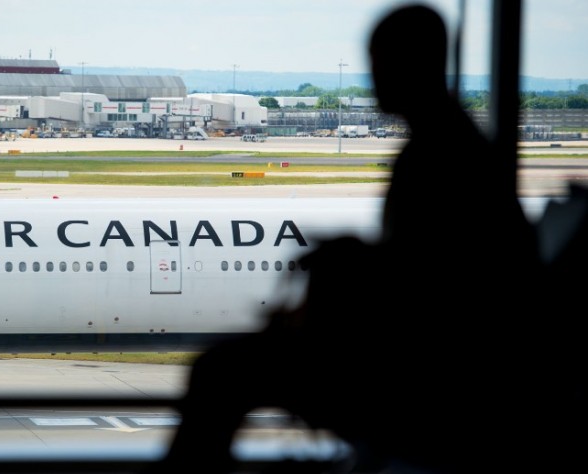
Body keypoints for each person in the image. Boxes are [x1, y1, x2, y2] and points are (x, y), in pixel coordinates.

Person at [148, 4, 575, 473]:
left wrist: (342, 272)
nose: (375, 78)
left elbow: (431, 286)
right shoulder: (450, 144)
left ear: (416, 64)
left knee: (221, 373)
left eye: (381, 62)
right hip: (438, 360)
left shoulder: (440, 156)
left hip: (433, 371)